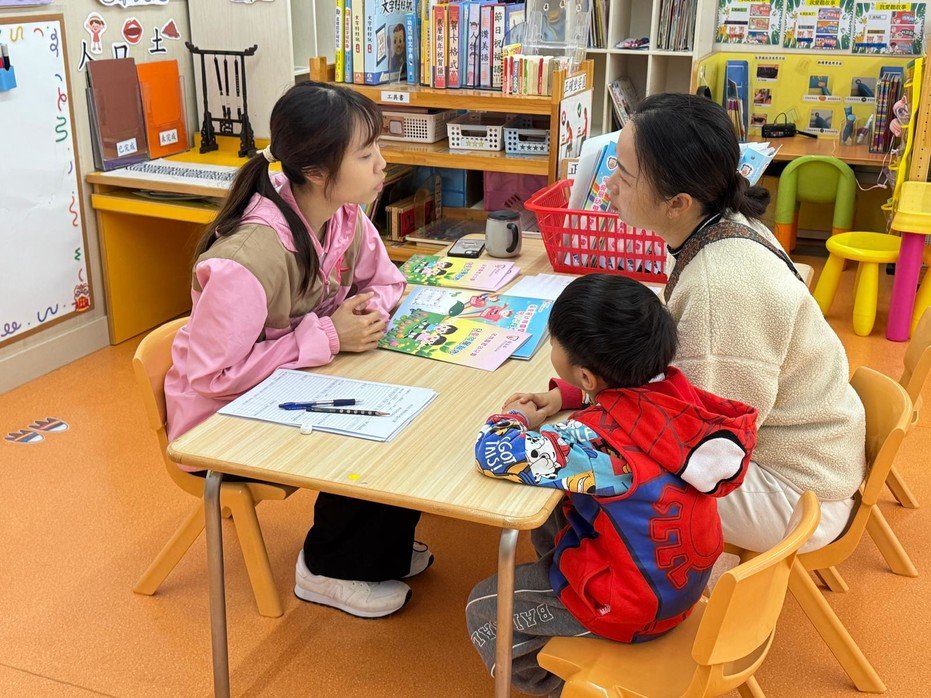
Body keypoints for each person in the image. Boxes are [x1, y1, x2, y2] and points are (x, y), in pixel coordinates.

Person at [164, 82, 431, 619]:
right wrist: (330, 335)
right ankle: (328, 567)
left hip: (287, 384)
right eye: (366, 154)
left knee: (408, 404)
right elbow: (213, 377)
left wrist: (367, 312)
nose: (382, 163)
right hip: (218, 420)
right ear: (316, 172)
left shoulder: (344, 214)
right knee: (370, 424)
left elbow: (386, 281)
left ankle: (378, 546)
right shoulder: (247, 259)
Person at [465, 274, 758, 695]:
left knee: (485, 607)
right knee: (557, 510)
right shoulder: (680, 395)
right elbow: (625, 399)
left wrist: (517, 417)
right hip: (678, 587)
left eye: (553, 342)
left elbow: (494, 452)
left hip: (630, 609)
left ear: (587, 376)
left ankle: (555, 689)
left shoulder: (595, 445)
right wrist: (566, 397)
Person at [604, 92, 866, 554]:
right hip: (808, 449)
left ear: (677, 202)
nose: (609, 185)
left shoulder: (719, 287)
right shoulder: (720, 221)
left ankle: (616, 587)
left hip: (799, 491)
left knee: (602, 473)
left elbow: (702, 440)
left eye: (623, 175)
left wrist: (594, 405)